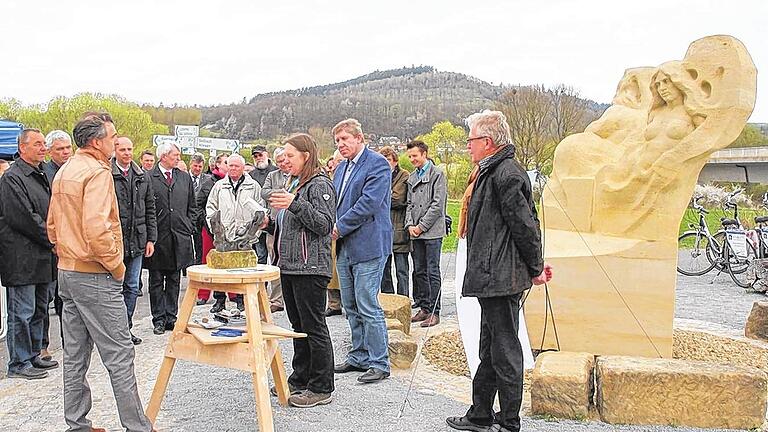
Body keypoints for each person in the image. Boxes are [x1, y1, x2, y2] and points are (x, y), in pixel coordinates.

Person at [47, 112, 154, 432]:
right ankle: (138, 426)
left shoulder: (66, 170)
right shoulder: (96, 173)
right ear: (96, 142)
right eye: (112, 137)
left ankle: (77, 424)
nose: (115, 141)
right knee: (120, 354)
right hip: (94, 274)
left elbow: (52, 226)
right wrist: (117, 266)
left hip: (68, 270)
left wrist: (66, 251)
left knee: (75, 354)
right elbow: (98, 229)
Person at [446, 110, 552, 432]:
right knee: (489, 347)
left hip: (501, 278)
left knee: (505, 350)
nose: (468, 147)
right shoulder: (488, 172)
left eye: (470, 141)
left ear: (487, 142)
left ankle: (509, 422)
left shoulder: (506, 174)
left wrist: (535, 267)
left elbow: (526, 226)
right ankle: (480, 413)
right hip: (491, 276)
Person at [268, 133, 336, 407]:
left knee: (314, 326)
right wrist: (267, 224)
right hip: (290, 266)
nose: (286, 160)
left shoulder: (320, 185)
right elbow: (291, 227)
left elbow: (323, 225)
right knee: (298, 327)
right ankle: (299, 379)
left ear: (306, 156)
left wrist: (294, 204)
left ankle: (321, 387)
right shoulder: (295, 183)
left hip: (311, 268)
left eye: (291, 155)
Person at [331, 118, 392, 384]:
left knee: (368, 304)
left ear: (359, 137)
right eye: (337, 141)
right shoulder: (340, 169)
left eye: (345, 139)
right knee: (350, 304)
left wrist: (338, 227)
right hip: (345, 246)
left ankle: (380, 362)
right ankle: (359, 355)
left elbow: (368, 203)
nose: (341, 145)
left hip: (368, 244)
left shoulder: (377, 164)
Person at [0, 128, 58, 380]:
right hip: (21, 256)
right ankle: (19, 361)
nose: (43, 147)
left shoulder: (41, 173)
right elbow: (23, 217)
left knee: (39, 308)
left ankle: (34, 353)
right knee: (21, 312)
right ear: (22, 148)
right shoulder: (13, 178)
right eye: (37, 144)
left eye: (44, 143)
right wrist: (52, 237)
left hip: (41, 255)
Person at [144, 143, 195, 335]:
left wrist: (188, 224)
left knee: (174, 279)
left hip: (179, 236)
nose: (178, 158)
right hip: (158, 237)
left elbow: (192, 204)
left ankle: (171, 317)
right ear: (164, 156)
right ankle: (158, 318)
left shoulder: (183, 177)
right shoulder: (148, 177)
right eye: (175, 154)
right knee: (156, 280)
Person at [205, 154, 266, 312]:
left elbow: (260, 212)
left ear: (243, 167)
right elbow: (210, 207)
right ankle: (219, 300)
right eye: (230, 165)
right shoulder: (219, 186)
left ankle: (240, 300)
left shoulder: (254, 187)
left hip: (244, 236)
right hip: (224, 235)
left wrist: (254, 235)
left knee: (242, 271)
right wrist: (215, 230)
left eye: (236, 166)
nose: (233, 168)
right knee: (221, 270)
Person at [112, 136, 157, 345]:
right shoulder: (107, 174)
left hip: (138, 240)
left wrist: (151, 238)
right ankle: (114, 331)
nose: (127, 153)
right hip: (116, 241)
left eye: (130, 149)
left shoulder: (141, 175)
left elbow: (150, 209)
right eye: (122, 149)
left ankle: (126, 328)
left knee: (131, 286)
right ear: (115, 151)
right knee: (114, 288)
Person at [405, 140, 448, 328]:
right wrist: (409, 225)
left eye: (415, 155)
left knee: (432, 271)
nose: (412, 159)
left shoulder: (437, 175)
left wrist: (421, 226)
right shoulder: (412, 177)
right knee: (419, 270)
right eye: (410, 156)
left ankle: (434, 311)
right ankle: (424, 307)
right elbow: (409, 204)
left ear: (424, 154)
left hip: (431, 232)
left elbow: (437, 205)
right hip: (415, 232)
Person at [41, 129, 73, 359]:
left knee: (65, 301)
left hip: (70, 245)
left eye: (67, 148)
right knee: (45, 300)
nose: (64, 152)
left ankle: (67, 342)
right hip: (47, 245)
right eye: (59, 149)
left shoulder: (74, 171)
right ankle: (42, 346)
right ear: (49, 151)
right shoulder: (44, 173)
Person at [195, 153, 241, 308]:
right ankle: (204, 294)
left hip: (231, 231)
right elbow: (199, 205)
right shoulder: (209, 183)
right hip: (211, 230)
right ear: (218, 165)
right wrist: (209, 224)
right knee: (209, 261)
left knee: (231, 261)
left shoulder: (238, 182)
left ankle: (233, 293)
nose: (230, 166)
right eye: (227, 163)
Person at [260, 146, 291, 313]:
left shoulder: (297, 174)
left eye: (283, 161)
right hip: (274, 226)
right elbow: (264, 193)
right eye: (278, 162)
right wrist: (281, 193)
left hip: (292, 224)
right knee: (274, 262)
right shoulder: (273, 176)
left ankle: (291, 297)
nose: (281, 165)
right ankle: (277, 300)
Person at [378, 146, 411, 297]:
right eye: (383, 160)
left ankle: (403, 299)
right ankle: (388, 299)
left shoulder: (404, 175)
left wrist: (382, 197)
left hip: (399, 228)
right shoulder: (378, 176)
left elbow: (398, 199)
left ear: (395, 161)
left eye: (389, 160)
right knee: (384, 270)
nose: (386, 163)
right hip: (382, 230)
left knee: (401, 270)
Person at [250, 145, 278, 271]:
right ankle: (260, 288)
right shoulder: (250, 175)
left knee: (274, 257)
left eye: (260, 155)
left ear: (266, 154)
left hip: (273, 220)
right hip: (256, 220)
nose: (258, 158)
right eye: (255, 156)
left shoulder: (276, 172)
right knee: (259, 257)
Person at [324, 151, 344, 317]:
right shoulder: (328, 181)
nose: (336, 165)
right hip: (330, 229)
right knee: (330, 267)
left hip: (345, 227)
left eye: (340, 161)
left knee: (343, 268)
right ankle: (334, 303)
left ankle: (347, 302)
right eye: (335, 161)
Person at [189, 153, 211, 268]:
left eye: (200, 167)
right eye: (195, 166)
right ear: (190, 164)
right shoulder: (183, 178)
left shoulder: (207, 180)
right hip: (187, 218)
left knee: (200, 248)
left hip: (201, 220)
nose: (197, 169)